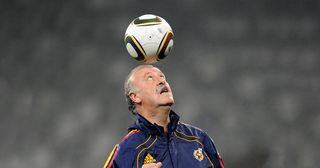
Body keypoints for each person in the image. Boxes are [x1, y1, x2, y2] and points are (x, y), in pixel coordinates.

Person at [103, 65, 224, 168]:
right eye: (150, 78)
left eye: (162, 77)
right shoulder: (127, 149)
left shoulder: (199, 138)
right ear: (135, 97)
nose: (162, 81)